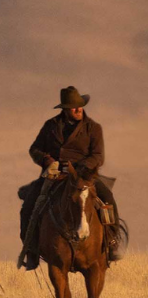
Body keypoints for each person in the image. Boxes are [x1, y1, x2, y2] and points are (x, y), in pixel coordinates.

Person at [19, 86, 121, 270]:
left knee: (108, 199)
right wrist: (48, 160)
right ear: (65, 109)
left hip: (84, 175)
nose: (78, 109)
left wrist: (82, 168)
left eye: (80, 106)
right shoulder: (50, 126)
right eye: (74, 107)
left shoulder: (93, 128)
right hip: (55, 174)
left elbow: (98, 156)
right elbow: (34, 149)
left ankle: (112, 242)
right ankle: (32, 249)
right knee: (29, 205)